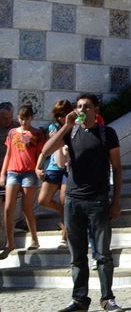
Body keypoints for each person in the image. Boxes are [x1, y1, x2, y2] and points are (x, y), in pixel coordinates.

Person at [38, 93, 123, 312]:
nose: (82, 109)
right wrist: (66, 126)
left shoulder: (107, 133)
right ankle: (79, 299)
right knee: (77, 255)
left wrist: (116, 201)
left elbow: (117, 168)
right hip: (73, 200)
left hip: (98, 200)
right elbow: (46, 151)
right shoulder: (70, 132)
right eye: (79, 106)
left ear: (96, 110)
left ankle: (107, 298)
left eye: (87, 106)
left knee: (102, 253)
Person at [2, 105, 44, 255]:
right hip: (13, 171)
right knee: (8, 208)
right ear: (18, 118)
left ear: (31, 118)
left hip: (29, 173)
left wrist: (38, 168)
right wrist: (2, 174)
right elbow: (8, 154)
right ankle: (10, 243)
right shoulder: (12, 132)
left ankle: (34, 239)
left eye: (27, 119)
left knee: (27, 208)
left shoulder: (37, 133)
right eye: (21, 119)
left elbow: (41, 153)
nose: (24, 122)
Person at [35, 99, 72, 239]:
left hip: (68, 167)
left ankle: (65, 235)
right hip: (54, 167)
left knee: (64, 200)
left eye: (63, 114)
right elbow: (46, 151)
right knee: (43, 199)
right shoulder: (53, 127)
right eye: (58, 115)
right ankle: (64, 215)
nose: (60, 118)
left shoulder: (75, 127)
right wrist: (37, 168)